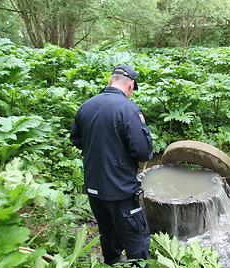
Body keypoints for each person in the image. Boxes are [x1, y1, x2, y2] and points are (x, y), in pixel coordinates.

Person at [70, 65, 154, 266]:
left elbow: (76, 139)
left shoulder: (86, 106)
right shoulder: (129, 109)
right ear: (131, 85)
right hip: (121, 190)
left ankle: (112, 263)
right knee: (137, 238)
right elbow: (142, 151)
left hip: (94, 187)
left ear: (110, 81)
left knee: (107, 233)